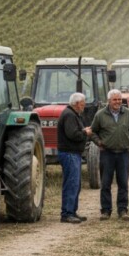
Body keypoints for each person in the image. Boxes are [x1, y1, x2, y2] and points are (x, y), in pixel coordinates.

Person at [90, 89, 129, 221]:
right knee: (105, 183)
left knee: (123, 183)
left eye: (119, 99)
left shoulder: (128, 113)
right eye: (115, 100)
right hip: (107, 154)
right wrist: (99, 142)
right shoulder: (100, 115)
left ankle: (122, 210)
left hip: (123, 154)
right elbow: (93, 131)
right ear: (109, 101)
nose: (118, 102)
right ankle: (106, 211)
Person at [57, 92, 92, 224]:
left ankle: (72, 211)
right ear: (77, 103)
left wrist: (83, 130)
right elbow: (72, 134)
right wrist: (85, 132)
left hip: (73, 154)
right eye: (83, 103)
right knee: (71, 184)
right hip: (69, 153)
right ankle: (67, 213)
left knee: (75, 184)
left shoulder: (72, 114)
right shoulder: (69, 115)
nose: (84, 105)